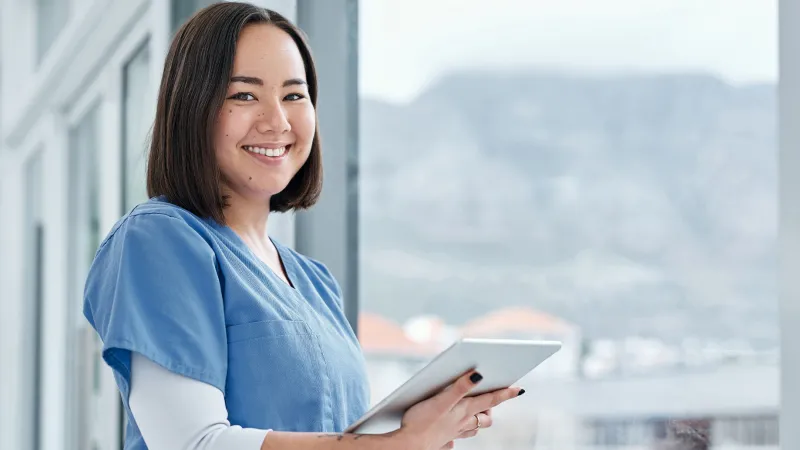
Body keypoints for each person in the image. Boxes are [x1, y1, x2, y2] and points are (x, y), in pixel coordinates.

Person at [82, 3, 524, 450]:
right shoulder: (159, 239)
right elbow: (192, 443)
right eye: (244, 95)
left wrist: (419, 431)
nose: (278, 122)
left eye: (294, 95)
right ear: (192, 107)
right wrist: (393, 445)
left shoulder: (316, 283)